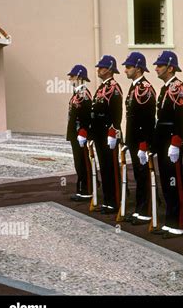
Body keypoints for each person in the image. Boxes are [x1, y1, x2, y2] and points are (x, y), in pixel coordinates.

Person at [151, 51, 183, 238]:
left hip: (171, 143)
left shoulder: (178, 88)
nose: (156, 68)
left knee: (175, 183)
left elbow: (181, 118)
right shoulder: (166, 88)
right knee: (166, 183)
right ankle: (170, 220)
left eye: (160, 65)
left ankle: (179, 223)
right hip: (163, 142)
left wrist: (176, 142)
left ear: (170, 67)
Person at [122, 52, 157, 225]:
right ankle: (139, 209)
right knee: (138, 175)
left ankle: (146, 211)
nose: (125, 70)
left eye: (128, 67)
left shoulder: (144, 88)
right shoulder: (135, 87)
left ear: (138, 67)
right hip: (135, 140)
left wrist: (144, 143)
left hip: (142, 141)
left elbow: (147, 120)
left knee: (144, 176)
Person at [91, 55, 123, 214]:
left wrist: (113, 131)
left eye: (102, 67)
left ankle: (115, 201)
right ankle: (107, 200)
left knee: (111, 168)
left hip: (108, 133)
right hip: (99, 133)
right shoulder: (102, 87)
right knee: (104, 167)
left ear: (109, 69)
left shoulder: (114, 88)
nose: (99, 69)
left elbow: (116, 113)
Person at [66, 65, 93, 202]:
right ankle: (82, 188)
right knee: (79, 162)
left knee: (83, 161)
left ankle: (87, 189)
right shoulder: (77, 94)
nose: (70, 79)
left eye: (72, 76)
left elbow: (86, 117)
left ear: (80, 77)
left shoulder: (84, 95)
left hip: (80, 134)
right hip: (75, 133)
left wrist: (83, 132)